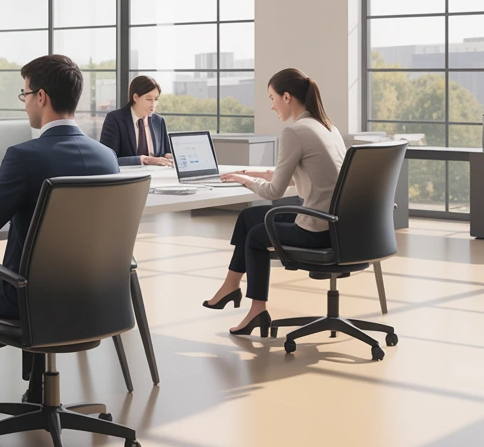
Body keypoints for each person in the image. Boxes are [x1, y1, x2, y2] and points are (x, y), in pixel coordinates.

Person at [0, 54, 119, 427]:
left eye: (24, 93)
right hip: (95, 298)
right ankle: (38, 390)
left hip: (29, 300)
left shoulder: (25, 156)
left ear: (41, 97)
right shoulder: (107, 157)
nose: (24, 101)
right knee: (38, 269)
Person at [204, 68, 346, 336]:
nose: (271, 106)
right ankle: (230, 286)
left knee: (257, 235)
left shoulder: (295, 131)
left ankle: (257, 308)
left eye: (272, 98)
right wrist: (248, 173)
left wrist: (242, 182)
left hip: (318, 230)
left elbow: (273, 192)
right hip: (339, 225)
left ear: (287, 97)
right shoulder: (327, 127)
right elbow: (297, 176)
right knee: (248, 218)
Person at [99, 75, 173, 167]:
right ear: (135, 97)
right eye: (149, 99)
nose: (153, 104)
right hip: (128, 178)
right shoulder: (115, 119)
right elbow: (107, 159)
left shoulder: (159, 121)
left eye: (156, 99)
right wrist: (144, 160)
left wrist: (171, 156)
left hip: (157, 176)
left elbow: (165, 152)